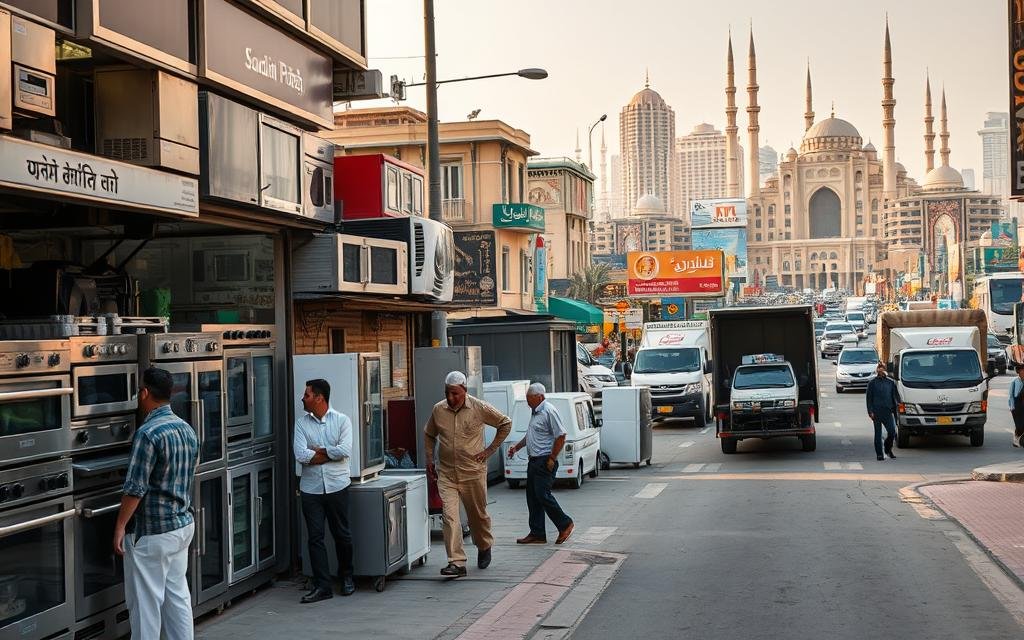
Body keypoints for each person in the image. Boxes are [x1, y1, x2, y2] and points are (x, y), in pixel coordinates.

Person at [114, 367, 199, 640]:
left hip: (152, 532)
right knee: (177, 598)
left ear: (145, 393)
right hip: (181, 526)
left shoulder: (148, 433)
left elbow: (135, 488)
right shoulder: (186, 429)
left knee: (145, 607)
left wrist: (120, 526)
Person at [424, 371, 512, 577]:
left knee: (477, 516)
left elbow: (505, 423)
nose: (450, 397)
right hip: (447, 473)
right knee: (449, 517)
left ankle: (484, 545)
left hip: (472, 472)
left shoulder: (479, 407)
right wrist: (429, 459)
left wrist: (489, 450)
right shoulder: (438, 409)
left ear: (464, 390)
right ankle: (456, 562)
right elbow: (429, 434)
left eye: (455, 393)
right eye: (447, 393)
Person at [293, 378, 355, 603]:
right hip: (311, 490)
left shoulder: (342, 421)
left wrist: (319, 451)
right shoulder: (301, 424)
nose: (303, 398)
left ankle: (347, 576)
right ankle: (323, 586)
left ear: (319, 398)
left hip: (337, 486)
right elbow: (301, 455)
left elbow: (345, 450)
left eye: (307, 395)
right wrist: (330, 453)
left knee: (342, 534)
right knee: (315, 538)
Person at [507, 383, 574, 545]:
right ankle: (537, 533)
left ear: (540, 397)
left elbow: (561, 435)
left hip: (544, 461)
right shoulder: (535, 413)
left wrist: (552, 458)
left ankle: (565, 524)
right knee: (532, 497)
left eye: (529, 398)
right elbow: (531, 436)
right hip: (534, 461)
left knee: (543, 495)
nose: (527, 401)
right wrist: (516, 447)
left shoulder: (549, 411)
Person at [865, 361, 898, 461]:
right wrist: (870, 411)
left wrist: (895, 412)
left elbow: (894, 398)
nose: (881, 371)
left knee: (892, 432)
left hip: (887, 412)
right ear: (877, 371)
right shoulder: (872, 383)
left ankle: (888, 449)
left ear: (885, 370)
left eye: (883, 369)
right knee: (878, 435)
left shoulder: (890, 383)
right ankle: (879, 454)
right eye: (879, 369)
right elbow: (869, 399)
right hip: (876, 412)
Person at [1009, 364, 1024, 448]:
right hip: (1017, 404)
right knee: (1019, 425)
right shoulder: (1014, 382)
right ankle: (1016, 439)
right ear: (1019, 371)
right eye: (1022, 370)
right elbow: (1011, 396)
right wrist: (1012, 407)